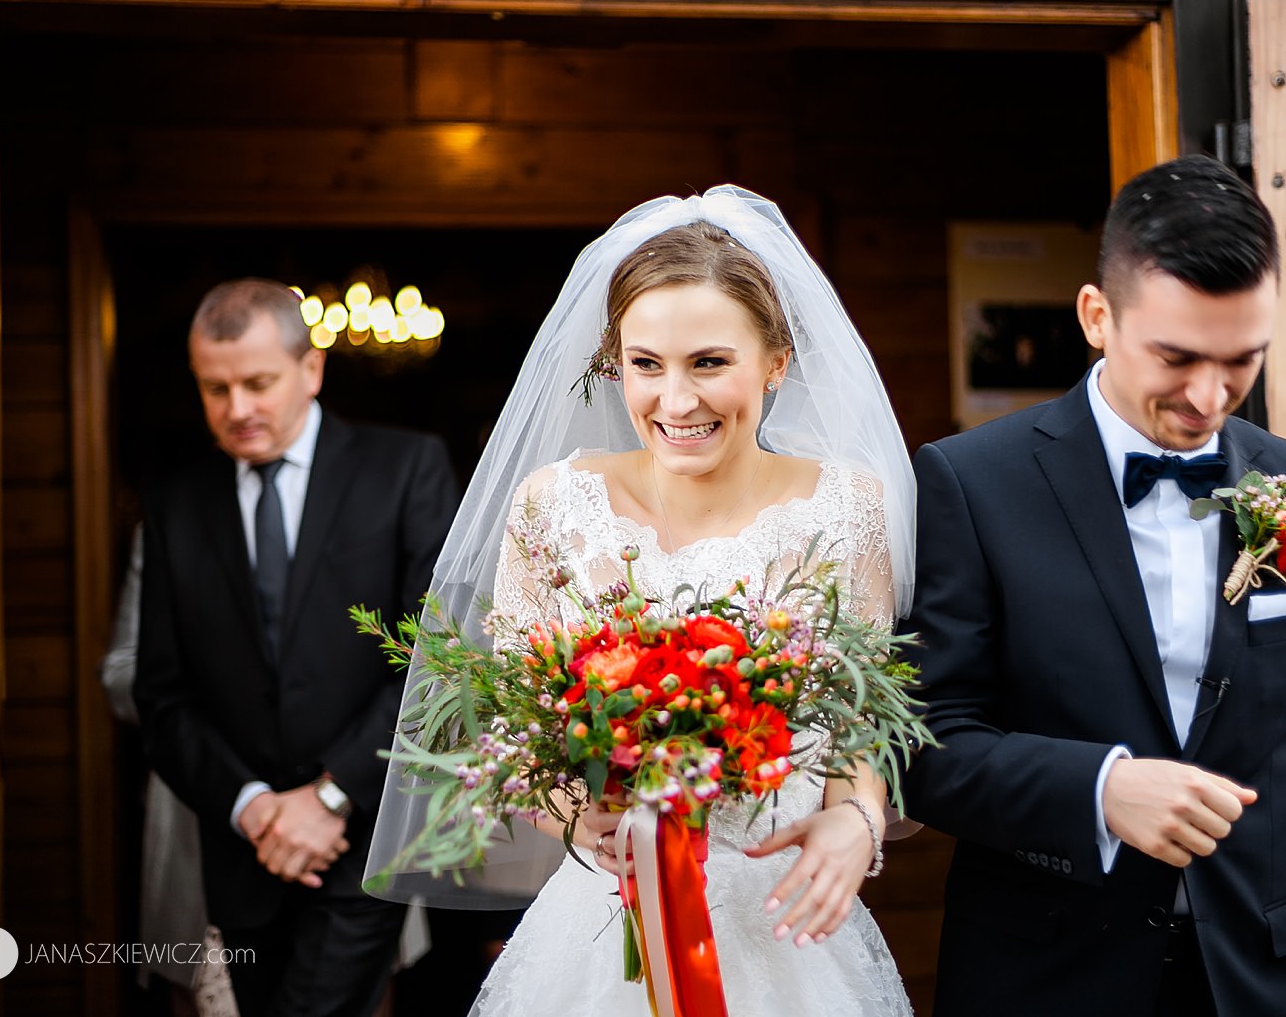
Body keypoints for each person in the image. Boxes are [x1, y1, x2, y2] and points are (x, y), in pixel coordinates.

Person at [900, 154, 1286, 1015]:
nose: (1209, 395)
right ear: (1096, 315)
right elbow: (926, 745)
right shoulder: (971, 483)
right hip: (1044, 980)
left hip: (1254, 982)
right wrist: (1100, 788)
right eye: (1177, 356)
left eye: (1242, 359)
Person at [365, 186, 918, 1015]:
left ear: (775, 361)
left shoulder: (847, 510)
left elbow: (860, 731)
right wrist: (570, 813)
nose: (677, 400)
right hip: (603, 934)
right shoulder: (553, 506)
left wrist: (857, 824)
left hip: (788, 931)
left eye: (709, 362)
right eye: (646, 364)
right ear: (613, 362)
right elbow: (520, 735)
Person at [133, 278, 460, 1017]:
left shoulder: (406, 469)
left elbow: (437, 660)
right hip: (243, 856)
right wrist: (252, 808)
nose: (237, 408)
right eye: (215, 389)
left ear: (310, 369)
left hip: (362, 840)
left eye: (257, 383)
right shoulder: (177, 503)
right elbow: (161, 693)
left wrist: (331, 794)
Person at [100, 525, 240, 1017]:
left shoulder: (375, 491)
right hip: (199, 811)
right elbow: (121, 674)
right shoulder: (171, 523)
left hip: (337, 811)